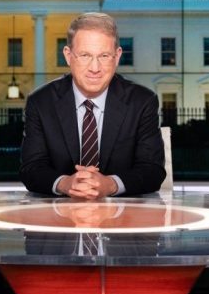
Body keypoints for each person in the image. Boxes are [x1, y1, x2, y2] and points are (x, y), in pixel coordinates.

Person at [20, 12, 165, 199]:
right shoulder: (41, 102)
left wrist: (111, 184)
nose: (95, 68)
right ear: (68, 55)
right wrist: (66, 183)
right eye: (85, 55)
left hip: (124, 219)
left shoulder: (142, 101)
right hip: (57, 220)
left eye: (104, 56)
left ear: (117, 56)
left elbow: (152, 170)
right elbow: (31, 168)